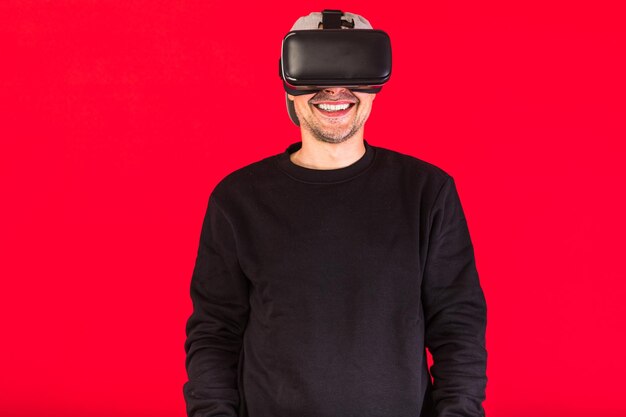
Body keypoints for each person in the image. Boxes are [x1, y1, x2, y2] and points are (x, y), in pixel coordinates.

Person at [184, 10, 487, 417]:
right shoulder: (237, 200)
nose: (334, 90)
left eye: (352, 68)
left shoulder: (427, 193)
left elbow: (458, 325)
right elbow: (215, 333)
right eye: (315, 72)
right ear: (289, 84)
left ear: (377, 82)